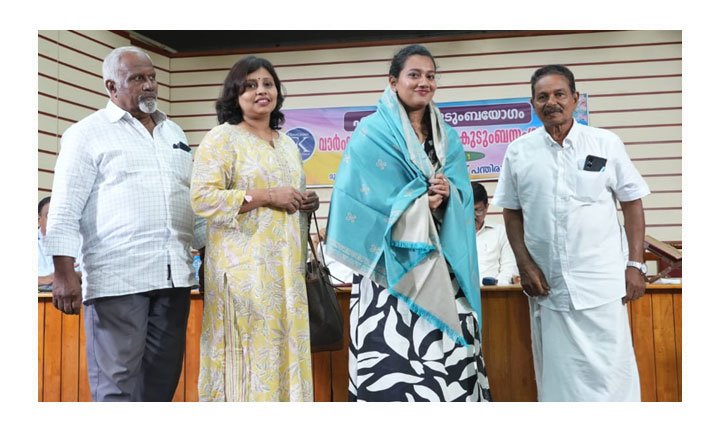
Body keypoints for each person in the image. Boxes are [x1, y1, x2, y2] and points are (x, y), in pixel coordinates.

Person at [325, 45, 491, 402]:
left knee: (448, 352)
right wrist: (417, 205)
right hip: (389, 268)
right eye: (414, 75)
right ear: (393, 82)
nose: (424, 82)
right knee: (394, 354)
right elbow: (361, 200)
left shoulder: (447, 135)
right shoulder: (372, 133)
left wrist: (448, 197)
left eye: (430, 76)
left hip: (441, 265)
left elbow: (463, 195)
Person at [42, 46, 207, 402]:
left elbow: (189, 201)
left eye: (151, 78)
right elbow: (65, 209)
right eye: (137, 79)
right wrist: (64, 272)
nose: (148, 86)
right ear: (110, 86)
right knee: (117, 388)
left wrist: (208, 252)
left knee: (161, 387)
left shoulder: (173, 131)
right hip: (119, 282)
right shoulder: (86, 134)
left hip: (174, 279)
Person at [492, 64, 649, 401]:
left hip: (603, 286)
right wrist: (525, 264)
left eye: (559, 94)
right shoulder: (519, 151)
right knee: (560, 381)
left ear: (575, 99)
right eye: (543, 96)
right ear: (532, 104)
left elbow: (632, 203)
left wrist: (636, 265)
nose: (552, 102)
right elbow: (511, 211)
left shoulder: (605, 142)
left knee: (613, 377)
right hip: (550, 288)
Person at [190, 56, 318, 402]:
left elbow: (286, 201)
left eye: (267, 84)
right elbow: (202, 199)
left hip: (286, 275)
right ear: (235, 94)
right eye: (250, 85)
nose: (261, 90)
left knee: (284, 354)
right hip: (244, 275)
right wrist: (266, 196)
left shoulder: (288, 145)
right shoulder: (222, 139)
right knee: (245, 356)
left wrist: (305, 202)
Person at [471, 182, 517, 285]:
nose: (473, 216)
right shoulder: (452, 235)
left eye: (478, 211)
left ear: (486, 208)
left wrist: (494, 287)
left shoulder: (501, 232)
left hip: (493, 295)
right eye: (468, 211)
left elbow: (510, 269)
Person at [38, 196, 82, 290]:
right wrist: (47, 279)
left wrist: (75, 275)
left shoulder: (81, 241)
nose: (56, 222)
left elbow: (94, 274)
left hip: (75, 299)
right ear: (39, 220)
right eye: (51, 217)